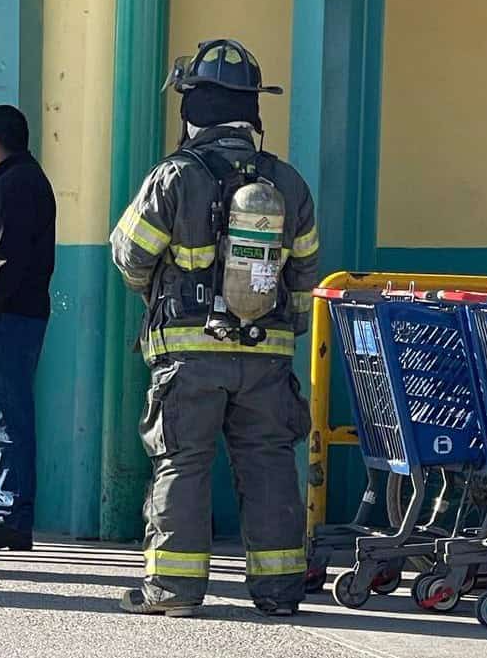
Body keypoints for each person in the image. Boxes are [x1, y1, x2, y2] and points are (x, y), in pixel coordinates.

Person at [111, 39, 319, 617]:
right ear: (252, 109)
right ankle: (279, 592)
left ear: (194, 107)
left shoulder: (175, 176)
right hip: (268, 355)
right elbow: (305, 273)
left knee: (182, 462)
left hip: (187, 353)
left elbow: (130, 258)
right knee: (271, 462)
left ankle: (172, 591)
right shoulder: (288, 183)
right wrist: (282, 333)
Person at [0, 105, 56, 551]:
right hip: (17, 315)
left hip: (6, 318)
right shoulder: (24, 181)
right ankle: (8, 510)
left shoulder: (13, 186)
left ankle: (9, 513)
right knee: (2, 416)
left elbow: (6, 254)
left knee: (4, 418)